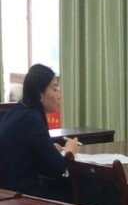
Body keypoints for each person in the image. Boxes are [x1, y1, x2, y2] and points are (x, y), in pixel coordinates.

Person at [0, 64, 79, 196]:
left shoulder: (17, 111)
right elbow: (57, 168)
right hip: (20, 197)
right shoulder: (32, 119)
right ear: (40, 94)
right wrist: (69, 151)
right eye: (55, 89)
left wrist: (50, 149)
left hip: (7, 193)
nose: (59, 95)